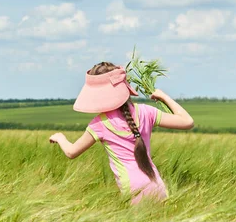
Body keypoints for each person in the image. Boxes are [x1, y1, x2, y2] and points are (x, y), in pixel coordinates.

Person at [49, 62, 194, 205]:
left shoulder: (99, 124)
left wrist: (60, 138)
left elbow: (71, 152)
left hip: (132, 189)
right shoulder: (146, 111)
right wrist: (164, 97)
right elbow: (187, 121)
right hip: (157, 184)